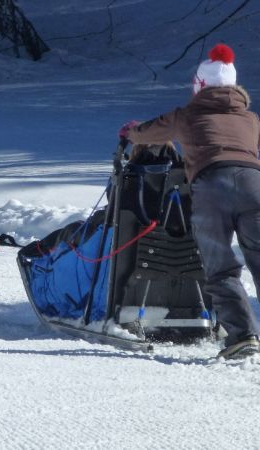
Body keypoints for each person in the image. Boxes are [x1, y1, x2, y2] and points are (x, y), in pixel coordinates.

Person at [119, 43, 260, 360]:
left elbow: (148, 133)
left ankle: (243, 337)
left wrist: (131, 132)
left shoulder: (186, 115)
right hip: (254, 185)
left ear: (200, 86)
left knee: (221, 268)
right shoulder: (251, 119)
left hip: (213, 188)